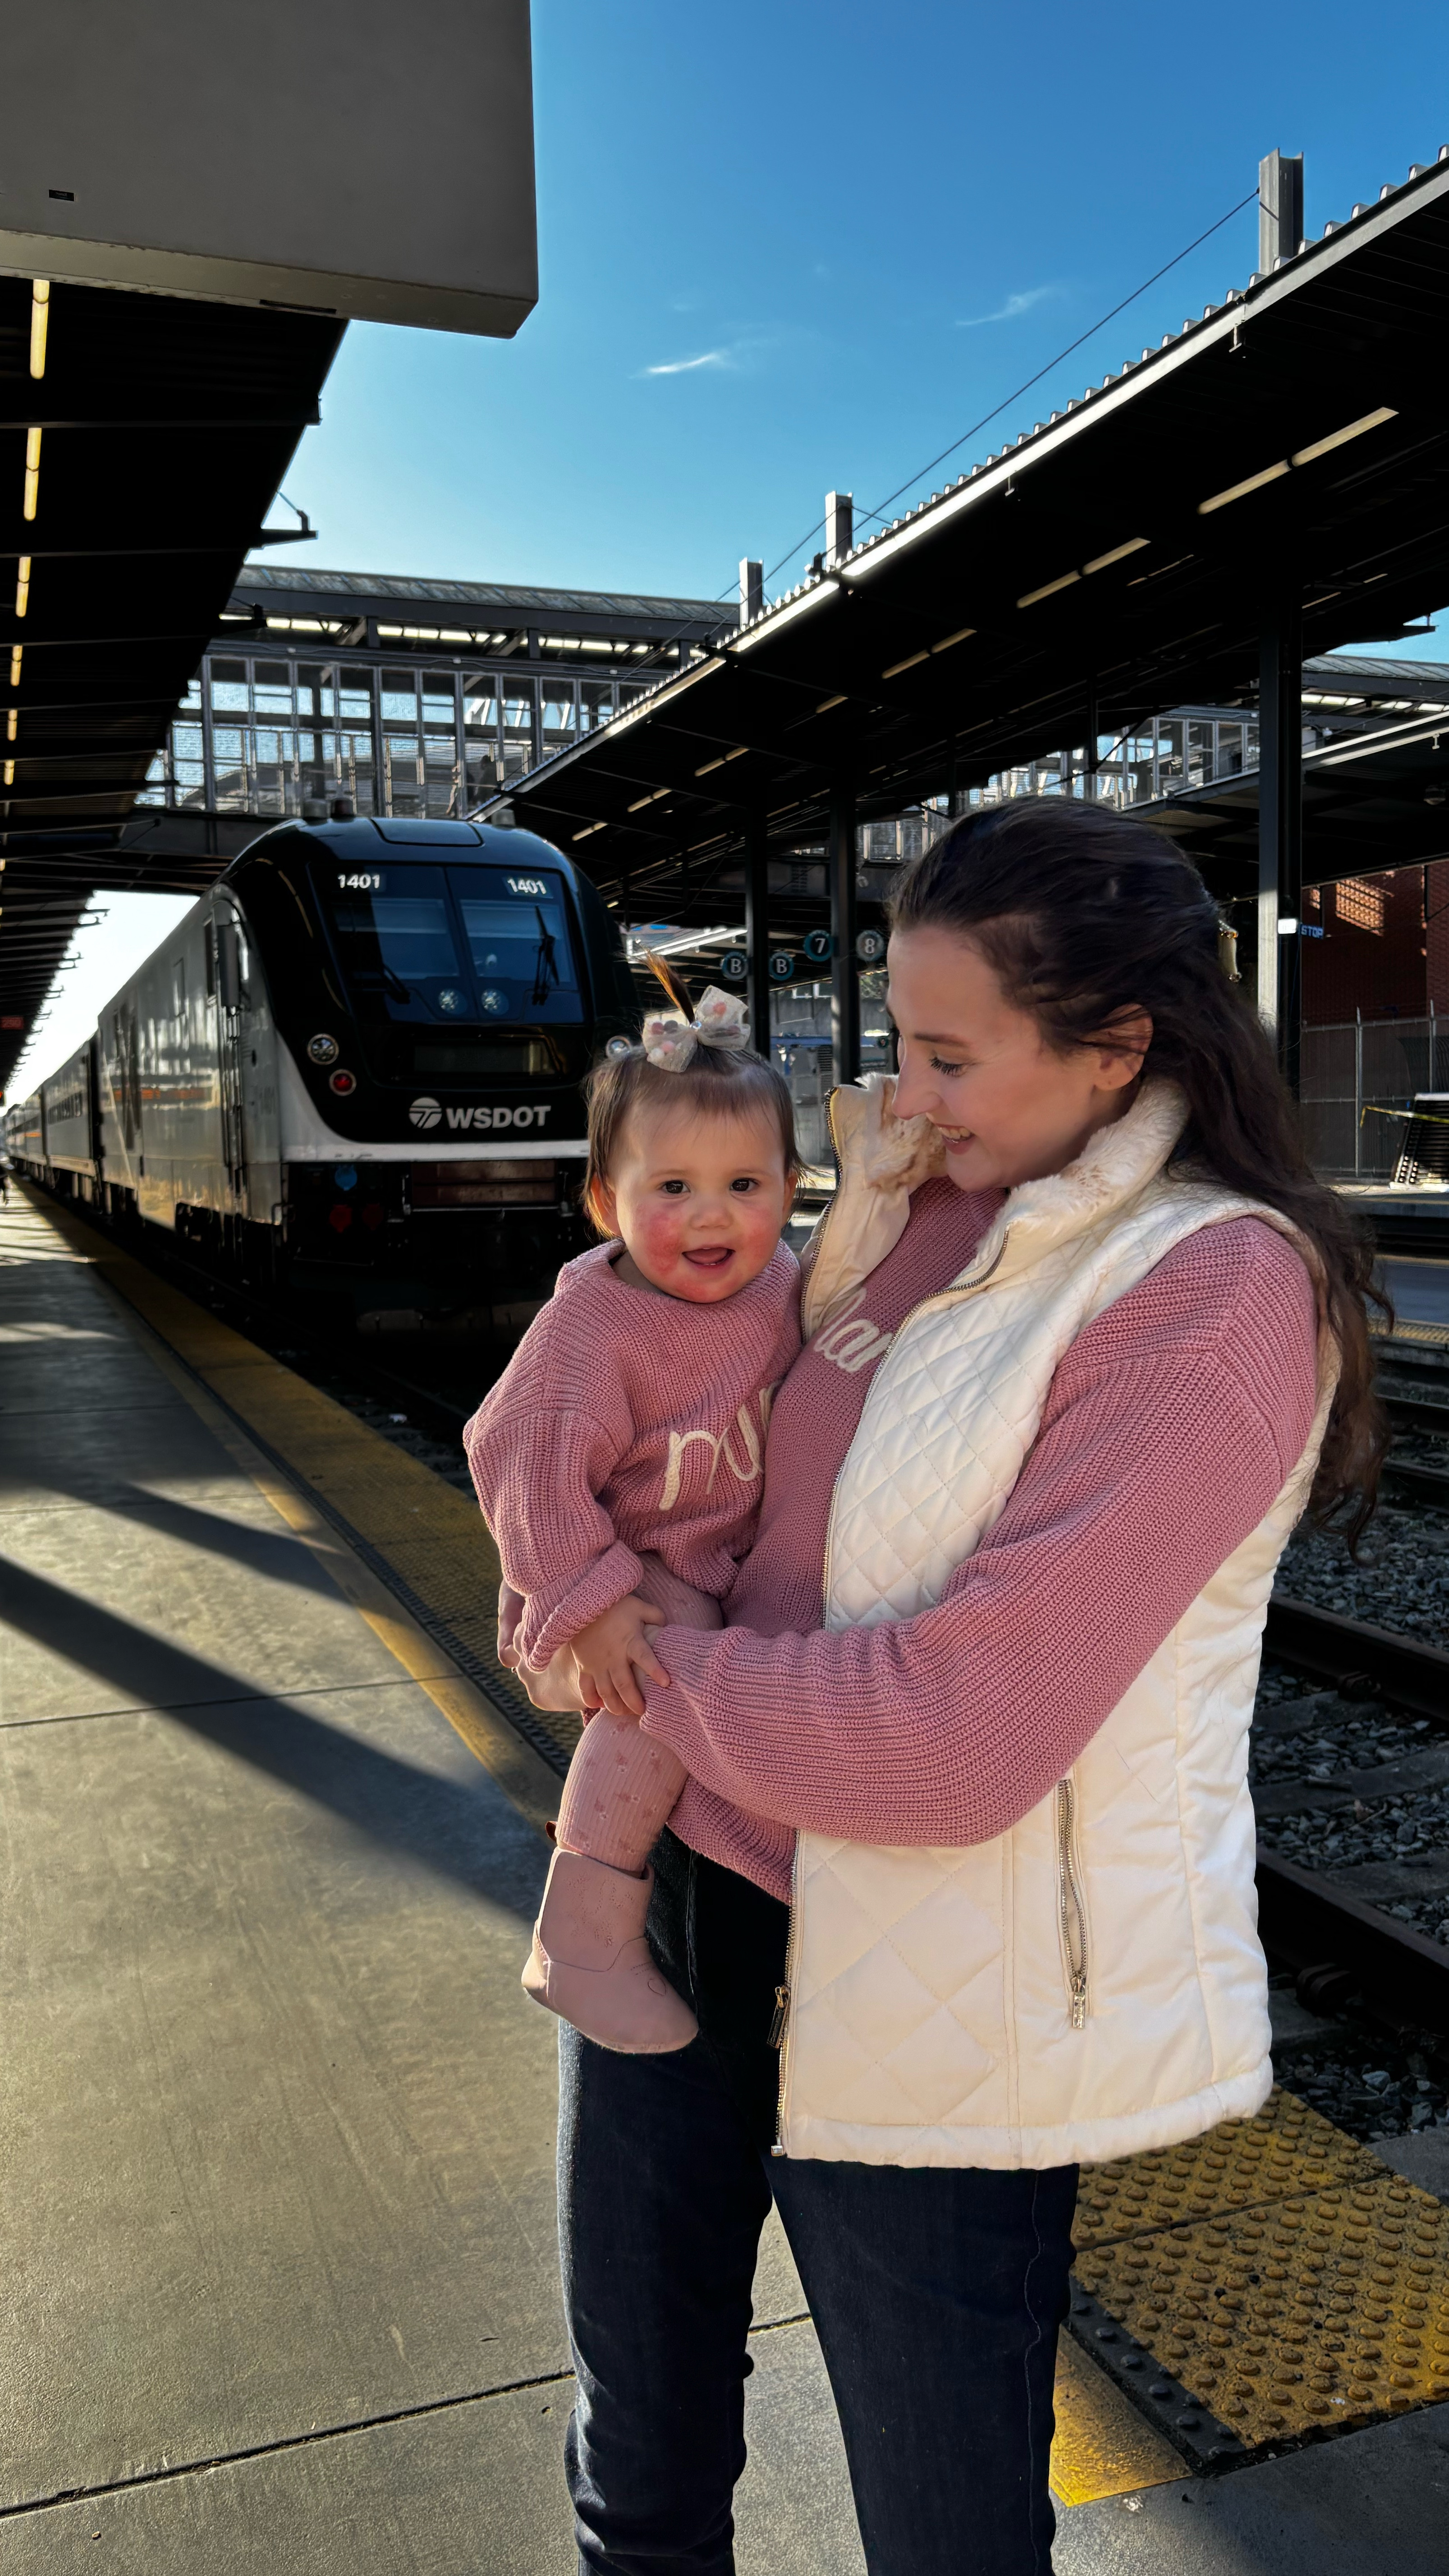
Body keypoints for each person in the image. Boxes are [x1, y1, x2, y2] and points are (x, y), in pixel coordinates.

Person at [516, 800, 1385, 2576]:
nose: (898, 1096)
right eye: (890, 1049)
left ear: (1111, 1050)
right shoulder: (925, 1208)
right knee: (637, 2466)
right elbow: (735, 1476)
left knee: (943, 2530)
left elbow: (952, 1734)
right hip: (692, 1899)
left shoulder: (1209, 1291)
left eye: (941, 1055)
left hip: (933, 1992)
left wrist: (640, 1664)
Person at [466, 963, 800, 2053]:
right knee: (678, 1641)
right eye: (673, 1190)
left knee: (712, 1635)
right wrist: (591, 1597)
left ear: (791, 1189)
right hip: (609, 1590)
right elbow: (512, 1454)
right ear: (606, 1202)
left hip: (707, 1585)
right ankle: (583, 1933)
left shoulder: (785, 1289)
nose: (713, 1216)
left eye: (745, 1186)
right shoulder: (592, 1330)